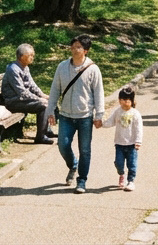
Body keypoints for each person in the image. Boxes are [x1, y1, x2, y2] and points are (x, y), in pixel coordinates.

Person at [47, 34, 104, 194]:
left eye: (78, 47)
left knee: (85, 149)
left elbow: (98, 93)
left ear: (85, 50)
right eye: (72, 46)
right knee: (63, 145)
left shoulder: (93, 69)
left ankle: (82, 181)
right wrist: (50, 109)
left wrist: (99, 115)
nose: (74, 49)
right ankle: (73, 164)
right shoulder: (62, 67)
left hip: (85, 116)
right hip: (65, 115)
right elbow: (55, 89)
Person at [1, 43, 55, 144]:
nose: (32, 57)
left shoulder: (25, 67)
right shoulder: (13, 70)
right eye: (30, 55)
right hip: (13, 102)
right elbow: (22, 92)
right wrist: (39, 99)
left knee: (48, 101)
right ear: (22, 57)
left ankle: (46, 130)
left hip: (21, 100)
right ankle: (40, 137)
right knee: (43, 105)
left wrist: (43, 95)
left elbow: (32, 85)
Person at [103, 86, 143, 192]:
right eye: (122, 100)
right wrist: (101, 124)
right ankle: (122, 174)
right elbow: (111, 121)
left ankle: (130, 181)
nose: (124, 102)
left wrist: (138, 141)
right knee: (118, 163)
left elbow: (139, 129)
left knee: (132, 164)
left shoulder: (135, 114)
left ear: (132, 101)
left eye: (127, 100)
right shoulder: (118, 112)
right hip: (119, 144)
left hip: (132, 144)